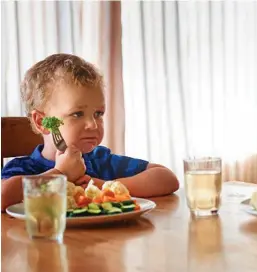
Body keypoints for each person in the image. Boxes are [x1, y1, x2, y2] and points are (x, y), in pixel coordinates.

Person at [1, 53, 179, 211]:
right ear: (43, 122)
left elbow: (167, 178)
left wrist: (106, 186)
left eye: (98, 114)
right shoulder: (25, 168)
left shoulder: (100, 160)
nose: (93, 125)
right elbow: (3, 197)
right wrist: (60, 174)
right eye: (77, 114)